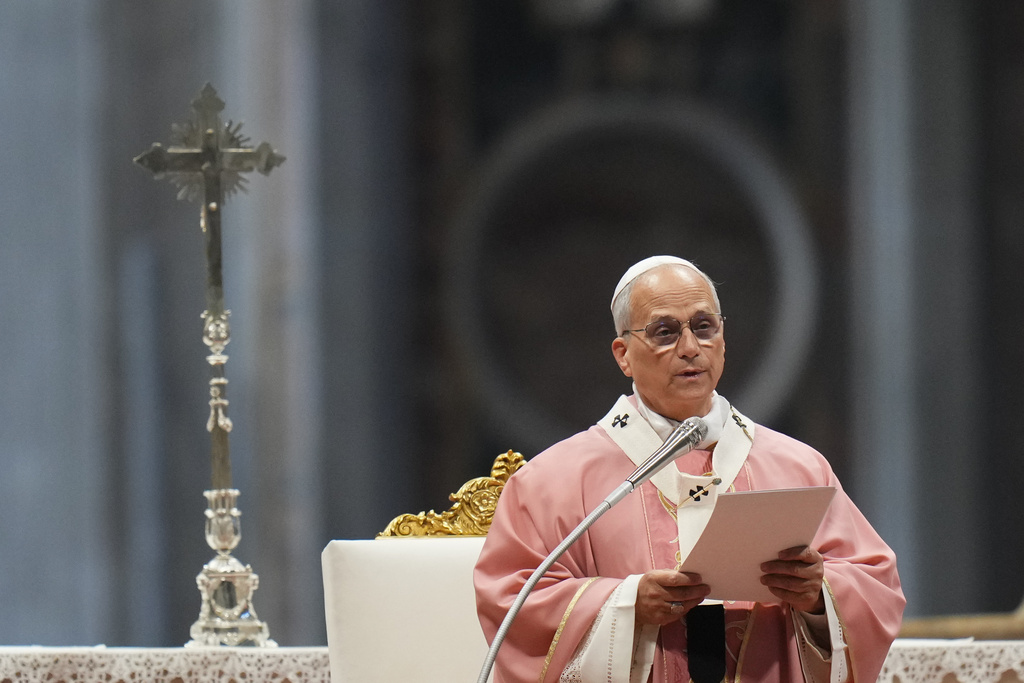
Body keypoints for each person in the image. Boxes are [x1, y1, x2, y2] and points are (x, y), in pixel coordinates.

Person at [474, 255, 905, 683]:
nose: (689, 348)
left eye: (704, 327)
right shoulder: (554, 481)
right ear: (623, 355)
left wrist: (817, 595)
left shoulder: (798, 466)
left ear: (722, 337)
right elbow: (512, 603)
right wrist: (627, 604)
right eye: (665, 332)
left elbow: (875, 586)